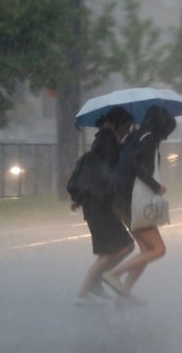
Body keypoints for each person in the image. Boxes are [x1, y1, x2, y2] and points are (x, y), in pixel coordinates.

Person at [102, 105, 176, 304]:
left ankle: (124, 294)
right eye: (168, 130)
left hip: (119, 198)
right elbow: (138, 166)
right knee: (158, 249)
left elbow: (128, 164)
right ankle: (114, 275)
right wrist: (156, 187)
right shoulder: (148, 139)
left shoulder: (135, 137)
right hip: (131, 201)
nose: (167, 136)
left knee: (145, 249)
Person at [75, 106, 135, 305]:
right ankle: (85, 290)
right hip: (100, 205)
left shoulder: (106, 140)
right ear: (117, 124)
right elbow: (110, 175)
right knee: (121, 247)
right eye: (126, 126)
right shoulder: (107, 142)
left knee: (116, 249)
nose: (128, 130)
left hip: (98, 204)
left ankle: (95, 284)